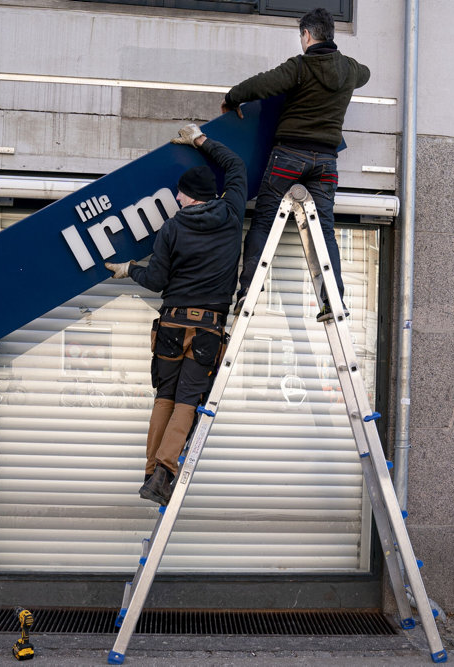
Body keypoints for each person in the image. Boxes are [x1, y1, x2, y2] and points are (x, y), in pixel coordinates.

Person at [104, 123, 246, 506]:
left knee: (164, 395)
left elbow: (154, 280)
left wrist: (127, 268)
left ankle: (151, 471)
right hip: (207, 330)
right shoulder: (232, 212)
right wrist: (200, 139)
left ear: (189, 196)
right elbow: (235, 167)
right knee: (187, 399)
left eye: (181, 194)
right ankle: (165, 472)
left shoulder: (171, 229)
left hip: (170, 324)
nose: (178, 199)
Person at [222, 7, 370, 321]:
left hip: (289, 156)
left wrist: (233, 97)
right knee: (326, 232)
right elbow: (366, 73)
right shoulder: (350, 70)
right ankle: (333, 300)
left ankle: (247, 292)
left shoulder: (300, 67)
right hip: (326, 163)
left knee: (263, 222)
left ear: (306, 34)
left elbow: (262, 85)